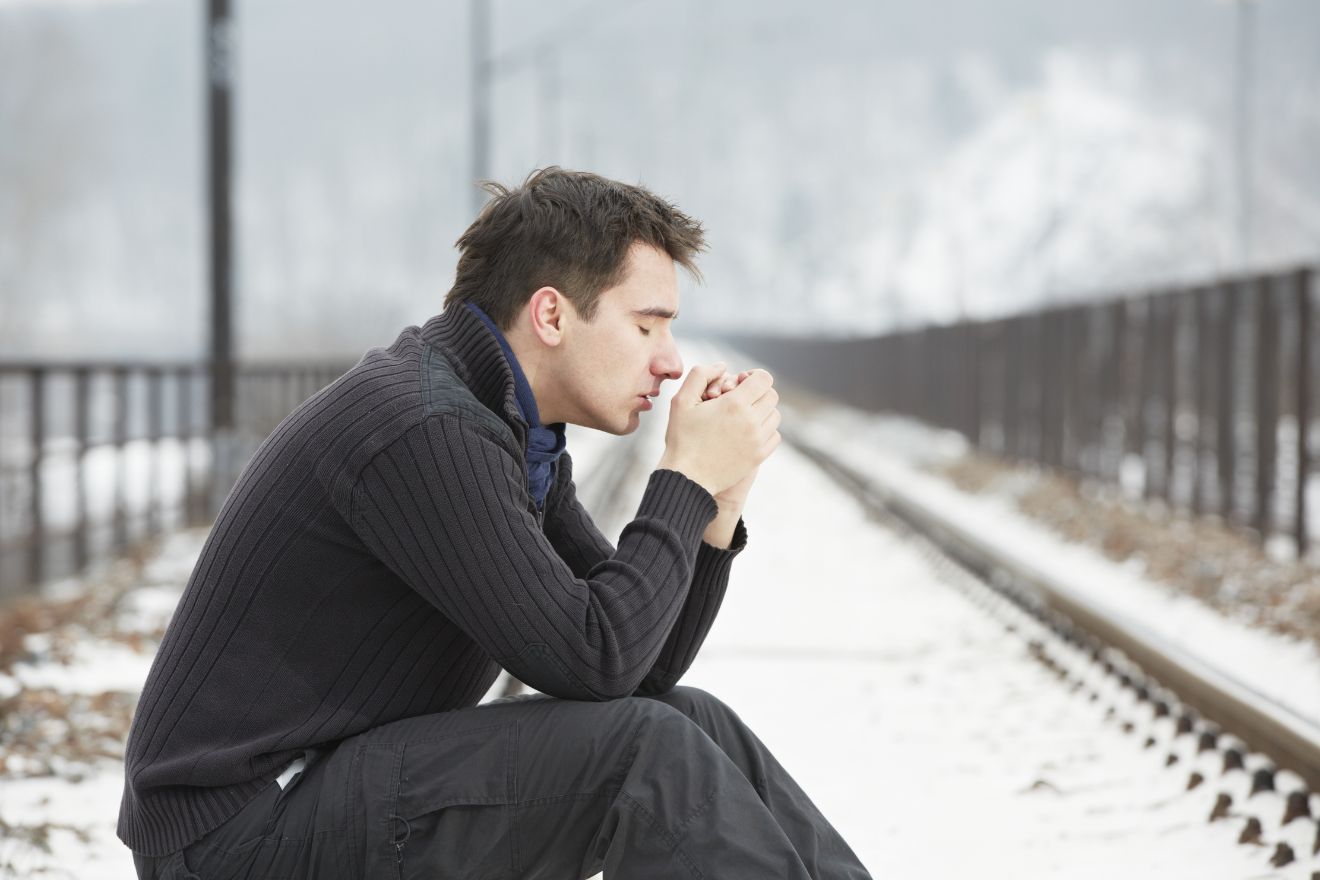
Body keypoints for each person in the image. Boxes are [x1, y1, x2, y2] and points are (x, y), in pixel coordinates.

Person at [119, 167, 872, 879]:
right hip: (238, 833)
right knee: (646, 754)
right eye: (648, 327)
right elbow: (594, 659)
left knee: (692, 719)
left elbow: (641, 668)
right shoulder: (423, 429)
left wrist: (717, 504)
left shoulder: (507, 430)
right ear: (551, 314)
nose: (671, 361)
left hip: (327, 783)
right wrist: (682, 479)